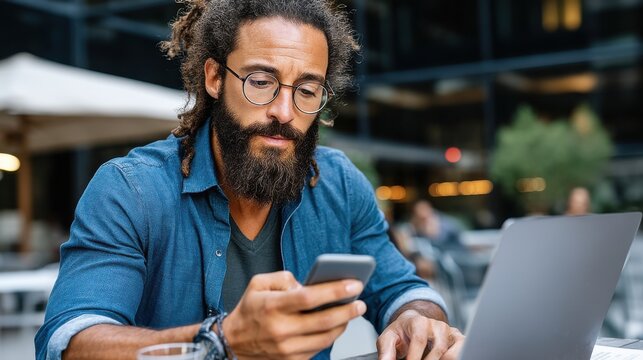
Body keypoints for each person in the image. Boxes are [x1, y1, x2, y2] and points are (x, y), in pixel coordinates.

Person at [35, 1, 464, 359]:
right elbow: (71, 340)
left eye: (307, 90)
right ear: (215, 78)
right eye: (261, 82)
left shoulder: (339, 185)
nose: (284, 110)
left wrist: (417, 318)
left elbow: (403, 289)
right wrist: (221, 341)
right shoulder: (131, 190)